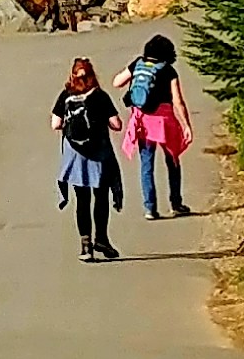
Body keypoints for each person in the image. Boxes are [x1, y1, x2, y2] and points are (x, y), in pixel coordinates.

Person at [117, 31, 193, 218]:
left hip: (142, 120)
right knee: (173, 161)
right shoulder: (168, 70)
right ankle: (176, 203)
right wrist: (186, 125)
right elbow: (178, 101)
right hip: (165, 122)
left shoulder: (137, 64)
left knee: (146, 165)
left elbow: (117, 82)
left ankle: (150, 208)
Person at [53, 57, 123, 259]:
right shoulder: (100, 96)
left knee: (81, 200)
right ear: (92, 74)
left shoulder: (66, 95)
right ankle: (101, 238)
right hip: (98, 154)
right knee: (101, 196)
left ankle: (86, 246)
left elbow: (55, 124)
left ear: (72, 75)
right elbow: (116, 124)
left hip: (75, 156)